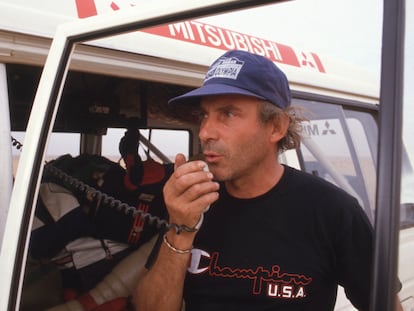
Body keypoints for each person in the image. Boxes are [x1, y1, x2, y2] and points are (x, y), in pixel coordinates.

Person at [133, 50, 402, 311]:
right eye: (204, 115)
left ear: (276, 127)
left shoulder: (332, 211)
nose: (205, 132)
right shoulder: (194, 203)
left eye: (227, 114)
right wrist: (181, 230)